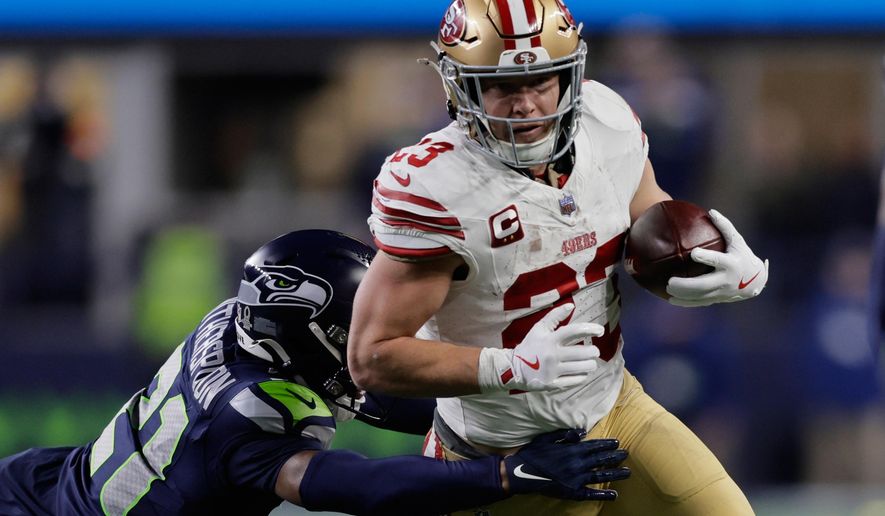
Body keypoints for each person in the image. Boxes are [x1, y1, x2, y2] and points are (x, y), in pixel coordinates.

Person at [349, 1, 768, 515]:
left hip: (616, 407)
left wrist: (711, 260)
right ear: (460, 87)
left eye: (541, 81)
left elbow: (648, 217)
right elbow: (372, 355)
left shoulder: (605, 121)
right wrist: (510, 367)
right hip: (502, 456)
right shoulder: (438, 187)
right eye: (502, 86)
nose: (525, 104)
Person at [0, 229, 631, 516]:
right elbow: (355, 486)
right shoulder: (249, 412)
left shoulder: (248, 323)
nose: (372, 339)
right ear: (307, 333)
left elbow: (371, 391)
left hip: (46, 480)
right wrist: (503, 474)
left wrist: (505, 412)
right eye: (350, 329)